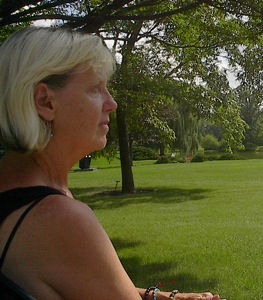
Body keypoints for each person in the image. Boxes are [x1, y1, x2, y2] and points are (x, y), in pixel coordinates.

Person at [0, 27, 222, 300]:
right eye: (95, 89)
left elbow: (85, 283)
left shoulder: (18, 190)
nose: (112, 103)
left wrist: (162, 296)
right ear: (45, 102)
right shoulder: (59, 218)